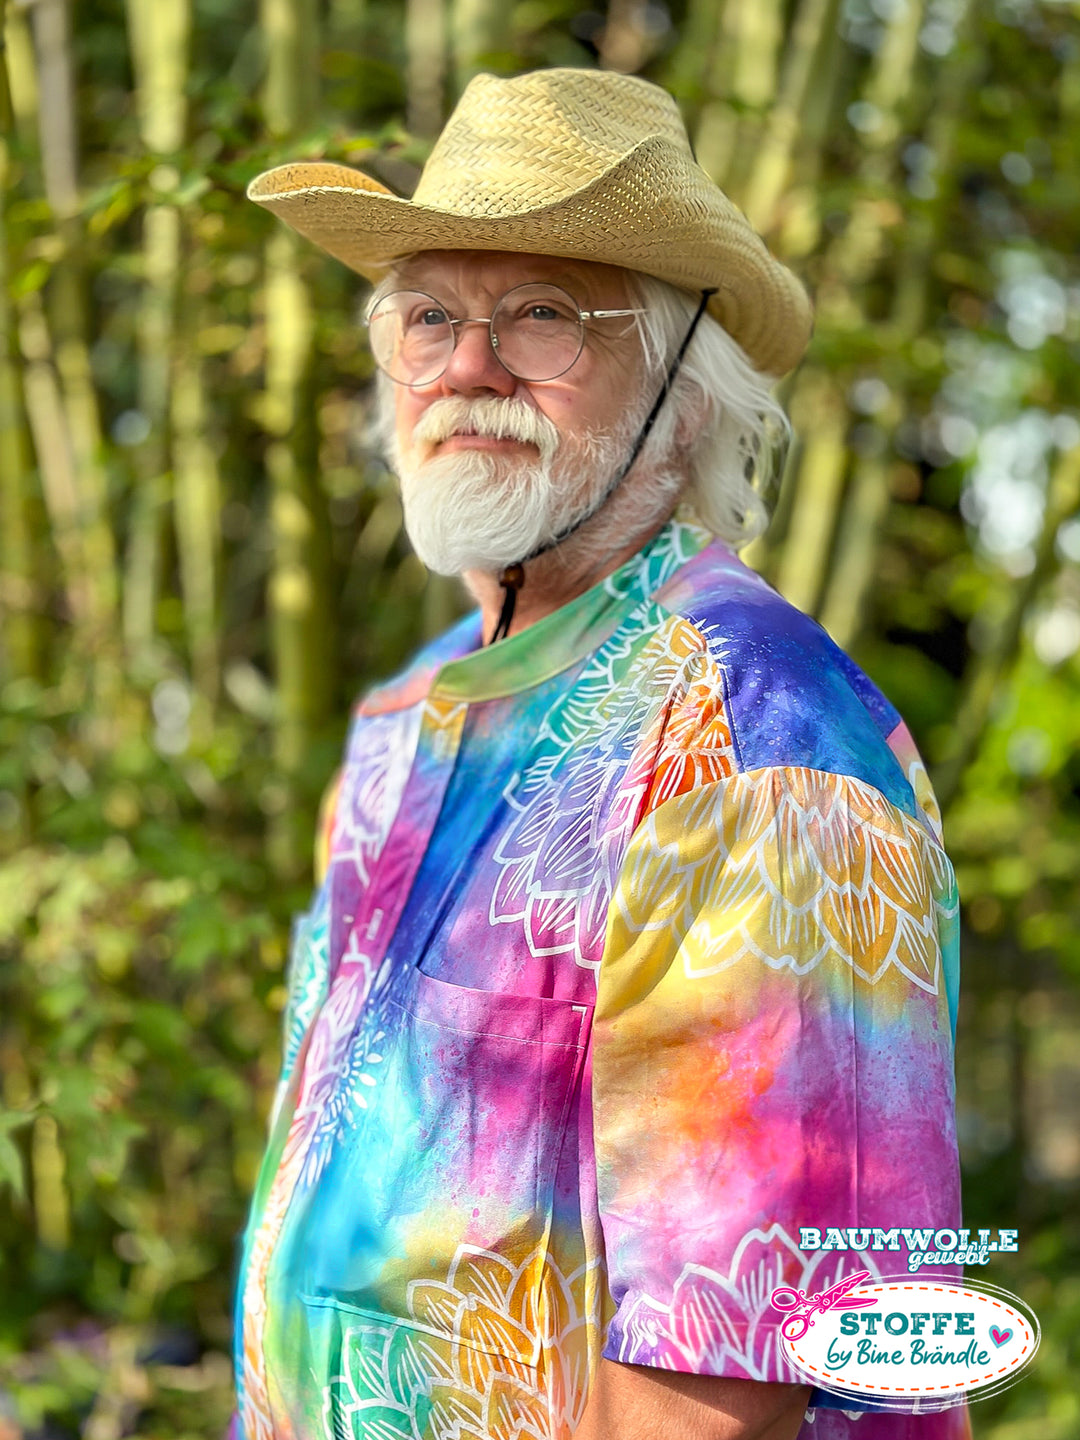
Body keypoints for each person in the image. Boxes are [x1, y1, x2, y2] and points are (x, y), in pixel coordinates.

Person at [234, 67, 969, 1440]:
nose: (468, 367)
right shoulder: (401, 716)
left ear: (685, 395)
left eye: (543, 315)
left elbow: (728, 1377)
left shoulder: (753, 740)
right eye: (429, 316)